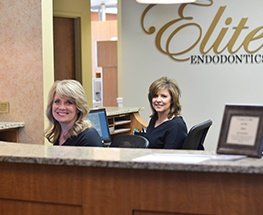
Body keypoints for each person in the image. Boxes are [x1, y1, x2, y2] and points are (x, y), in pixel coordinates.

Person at [45, 79, 103, 147]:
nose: (62, 107)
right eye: (57, 102)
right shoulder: (59, 134)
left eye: (69, 103)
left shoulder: (88, 137)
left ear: (78, 108)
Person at [141, 76, 187, 149]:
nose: (158, 100)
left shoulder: (176, 126)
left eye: (164, 96)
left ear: (172, 100)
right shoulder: (154, 119)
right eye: (155, 96)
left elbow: (169, 156)